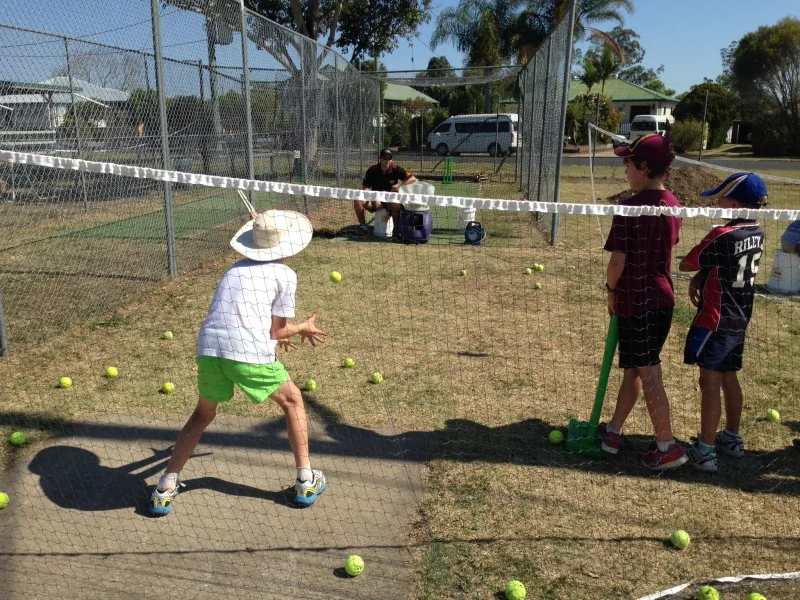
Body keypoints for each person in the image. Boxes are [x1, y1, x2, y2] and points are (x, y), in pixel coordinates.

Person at [150, 210, 328, 516]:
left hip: (209, 348)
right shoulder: (286, 274)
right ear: (288, 245)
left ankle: (165, 487)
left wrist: (274, 335)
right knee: (293, 401)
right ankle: (306, 480)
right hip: (245, 351)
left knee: (203, 414)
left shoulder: (233, 270)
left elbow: (251, 320)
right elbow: (278, 330)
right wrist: (302, 328)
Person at [600, 134, 687, 470]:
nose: (625, 169)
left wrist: (611, 291)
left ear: (644, 167)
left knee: (648, 372)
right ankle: (613, 432)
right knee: (634, 369)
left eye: (628, 163)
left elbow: (617, 263)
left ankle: (667, 445)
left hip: (638, 302)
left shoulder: (630, 208)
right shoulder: (675, 205)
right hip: (662, 299)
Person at [680, 173, 767, 472]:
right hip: (739, 317)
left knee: (710, 381)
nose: (717, 203)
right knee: (730, 376)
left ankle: (705, 451)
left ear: (733, 202)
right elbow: (720, 266)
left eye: (720, 198)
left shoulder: (722, 234)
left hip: (715, 318)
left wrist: (698, 269)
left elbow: (688, 260)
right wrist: (703, 276)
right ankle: (731, 437)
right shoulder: (757, 230)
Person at [354, 149, 417, 239]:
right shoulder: (372, 170)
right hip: (374, 201)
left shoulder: (396, 169)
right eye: (385, 158)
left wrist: (399, 185)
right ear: (380, 158)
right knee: (357, 198)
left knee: (395, 203)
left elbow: (412, 178)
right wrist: (374, 198)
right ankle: (363, 228)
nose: (387, 161)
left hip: (390, 202)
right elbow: (365, 187)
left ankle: (396, 230)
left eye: (389, 158)